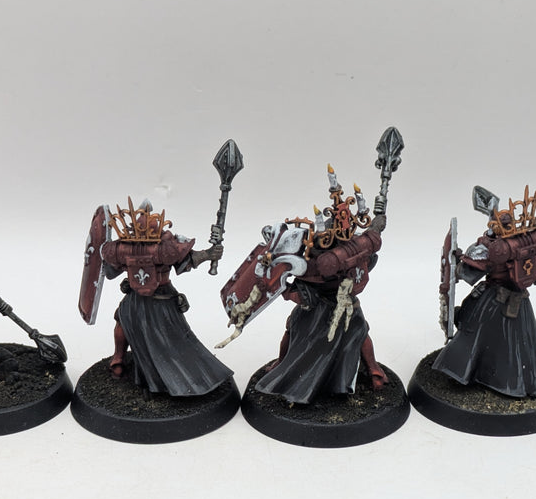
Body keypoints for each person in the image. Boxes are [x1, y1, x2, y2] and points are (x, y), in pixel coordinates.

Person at [254, 172, 389, 405]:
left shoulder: (340, 254)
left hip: (336, 303)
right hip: (322, 304)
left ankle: (373, 370)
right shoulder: (330, 253)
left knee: (358, 331)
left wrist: (288, 290)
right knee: (303, 329)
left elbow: (304, 283)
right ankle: (283, 363)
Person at [100, 198, 231, 396]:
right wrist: (208, 254)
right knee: (128, 322)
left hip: (141, 298)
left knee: (123, 320)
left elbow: (110, 270)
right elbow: (186, 261)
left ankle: (119, 359)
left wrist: (208, 254)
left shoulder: (124, 247)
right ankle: (120, 358)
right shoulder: (163, 247)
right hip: (157, 298)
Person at [433, 187, 536, 398]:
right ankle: (520, 382)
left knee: (473, 332)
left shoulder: (497, 250)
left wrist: (458, 261)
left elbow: (466, 273)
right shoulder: (528, 244)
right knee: (521, 341)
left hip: (494, 300)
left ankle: (464, 372)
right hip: (521, 302)